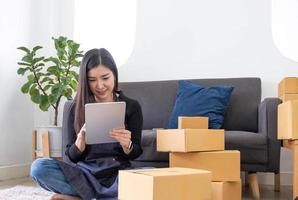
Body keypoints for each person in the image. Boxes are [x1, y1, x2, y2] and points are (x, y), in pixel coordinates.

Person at [30, 48, 143, 200]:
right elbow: (70, 157)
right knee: (39, 168)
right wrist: (79, 145)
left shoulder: (131, 106)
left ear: (114, 75)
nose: (100, 85)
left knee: (153, 177)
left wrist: (127, 145)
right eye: (92, 80)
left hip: (117, 175)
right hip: (84, 176)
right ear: (85, 80)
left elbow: (136, 152)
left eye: (105, 78)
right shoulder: (74, 108)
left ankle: (82, 197)